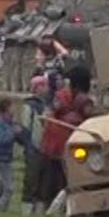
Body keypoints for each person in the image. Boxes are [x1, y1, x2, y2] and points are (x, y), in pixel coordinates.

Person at [41, 65, 94, 208]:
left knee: (55, 178)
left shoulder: (60, 98)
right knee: (67, 179)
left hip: (53, 144)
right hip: (66, 144)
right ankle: (59, 206)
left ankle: (51, 206)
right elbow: (89, 114)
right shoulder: (81, 100)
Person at [19, 78, 50, 216]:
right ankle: (27, 207)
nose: (46, 88)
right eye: (43, 85)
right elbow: (25, 127)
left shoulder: (46, 105)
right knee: (31, 178)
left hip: (45, 147)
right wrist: (29, 145)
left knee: (43, 179)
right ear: (37, 87)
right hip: (33, 147)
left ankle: (39, 208)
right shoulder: (29, 105)